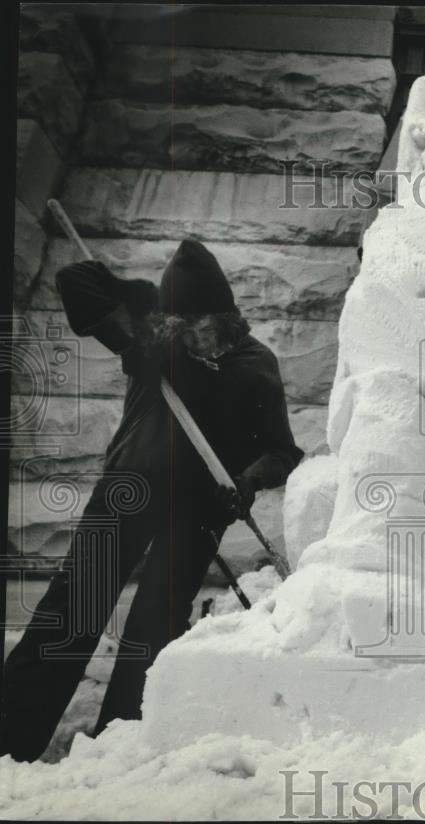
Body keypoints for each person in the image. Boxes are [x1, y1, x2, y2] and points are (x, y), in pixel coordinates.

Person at [1, 239, 304, 761]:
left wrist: (246, 481)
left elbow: (283, 452)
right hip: (128, 490)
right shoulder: (154, 336)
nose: (194, 339)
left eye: (203, 327)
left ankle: (117, 750)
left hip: (198, 510)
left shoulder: (257, 365)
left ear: (226, 318)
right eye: (182, 328)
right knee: (70, 613)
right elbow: (77, 278)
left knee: (152, 628)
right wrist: (132, 313)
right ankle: (8, 742)